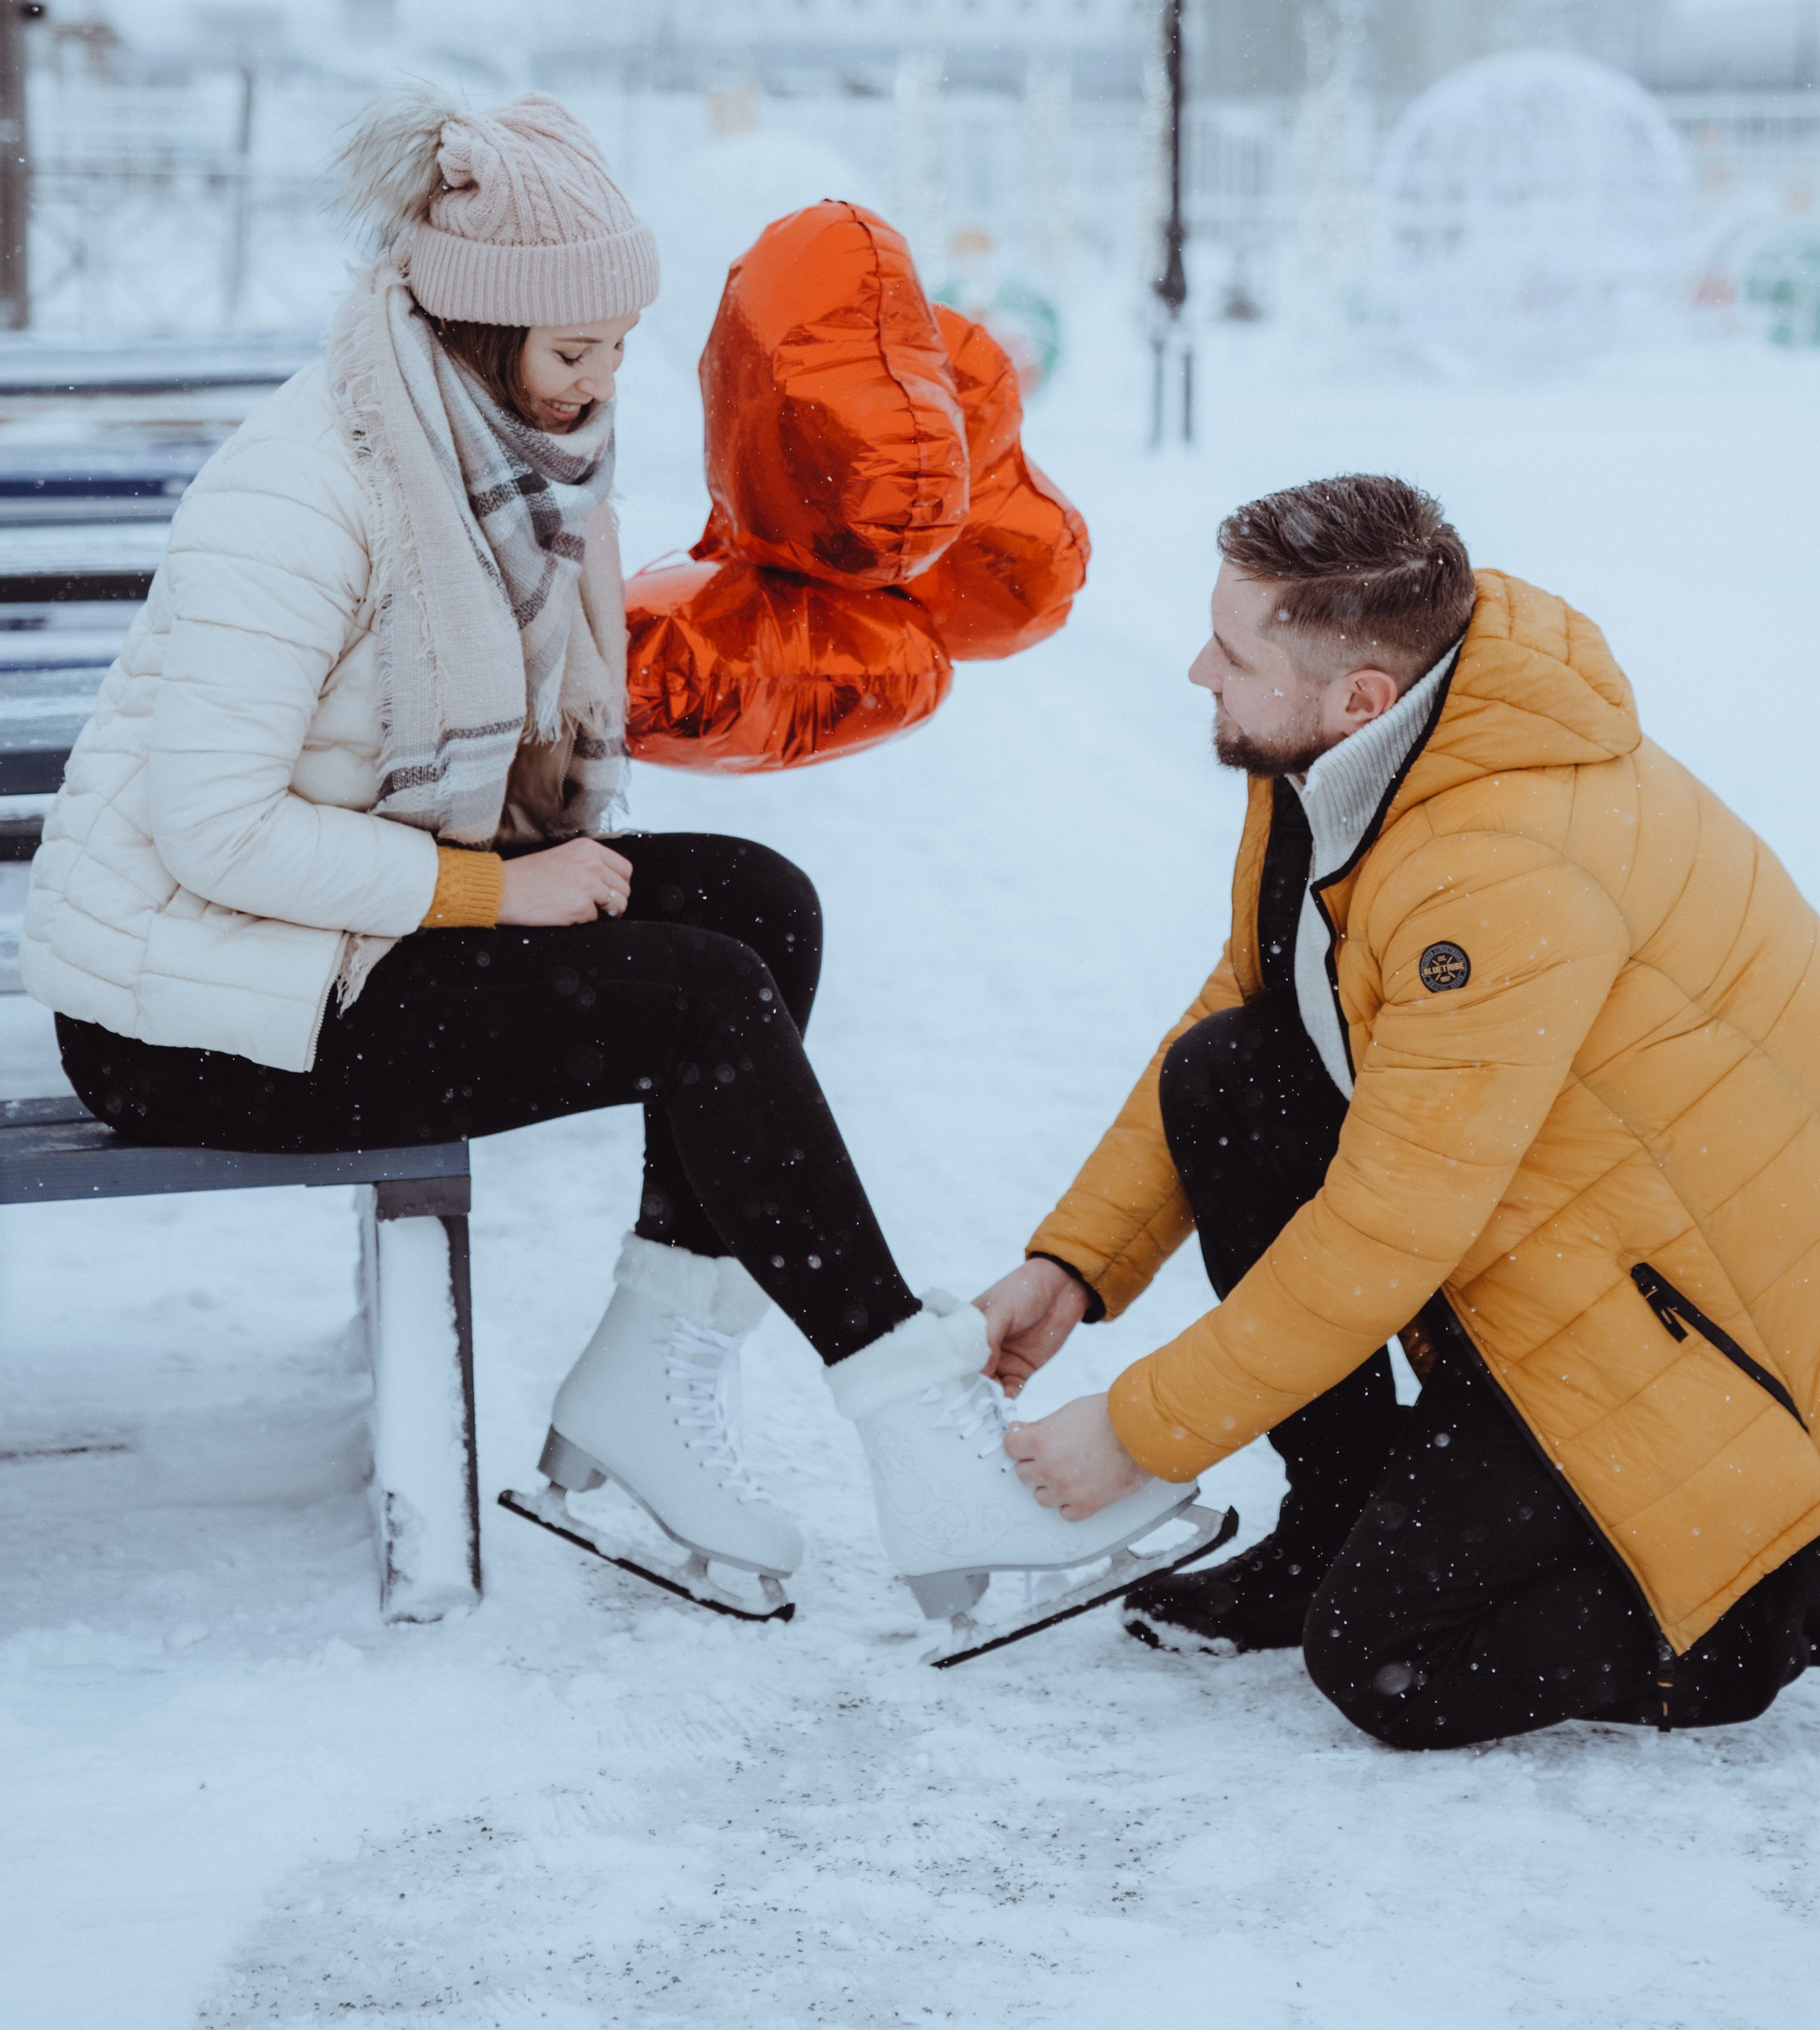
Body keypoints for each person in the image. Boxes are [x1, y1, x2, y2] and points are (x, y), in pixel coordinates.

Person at [22, 86, 1187, 1620]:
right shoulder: (304, 491)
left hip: (339, 940)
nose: (602, 384)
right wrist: (499, 890)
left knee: (763, 906)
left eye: (623, 349)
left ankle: (654, 1361)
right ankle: (919, 1427)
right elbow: (214, 827)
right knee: (699, 1000)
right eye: (575, 352)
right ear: (477, 326)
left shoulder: (512, 461)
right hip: (196, 1015)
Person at [977, 472, 1820, 1763]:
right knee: (1230, 1076)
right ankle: (1334, 1518)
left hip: (1714, 1329)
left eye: (1232, 653)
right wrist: (1077, 1263)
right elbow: (1263, 996)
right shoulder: (1366, 743)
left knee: (1394, 1664)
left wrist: (1138, 1432)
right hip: (1578, 1234)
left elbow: (1386, 1231)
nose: (1200, 668)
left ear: (1360, 694)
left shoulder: (1498, 868)